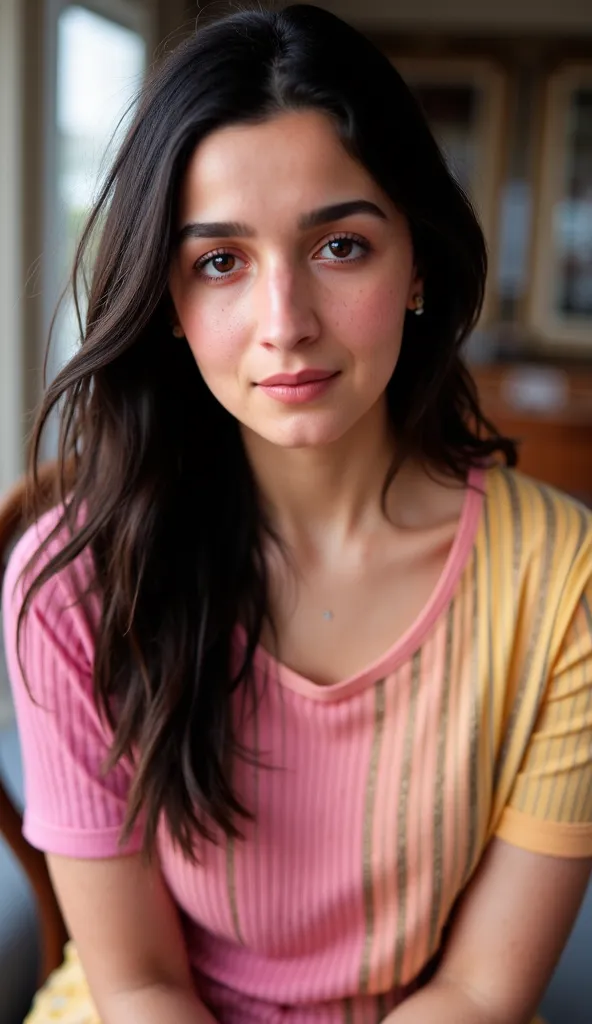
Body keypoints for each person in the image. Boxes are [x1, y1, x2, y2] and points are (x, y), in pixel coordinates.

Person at [3, 6, 591, 1024]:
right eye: (220, 261)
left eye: (340, 246)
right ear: (170, 305)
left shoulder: (563, 579)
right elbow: (138, 982)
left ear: (415, 263)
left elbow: (482, 989)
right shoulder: (79, 580)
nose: (286, 324)